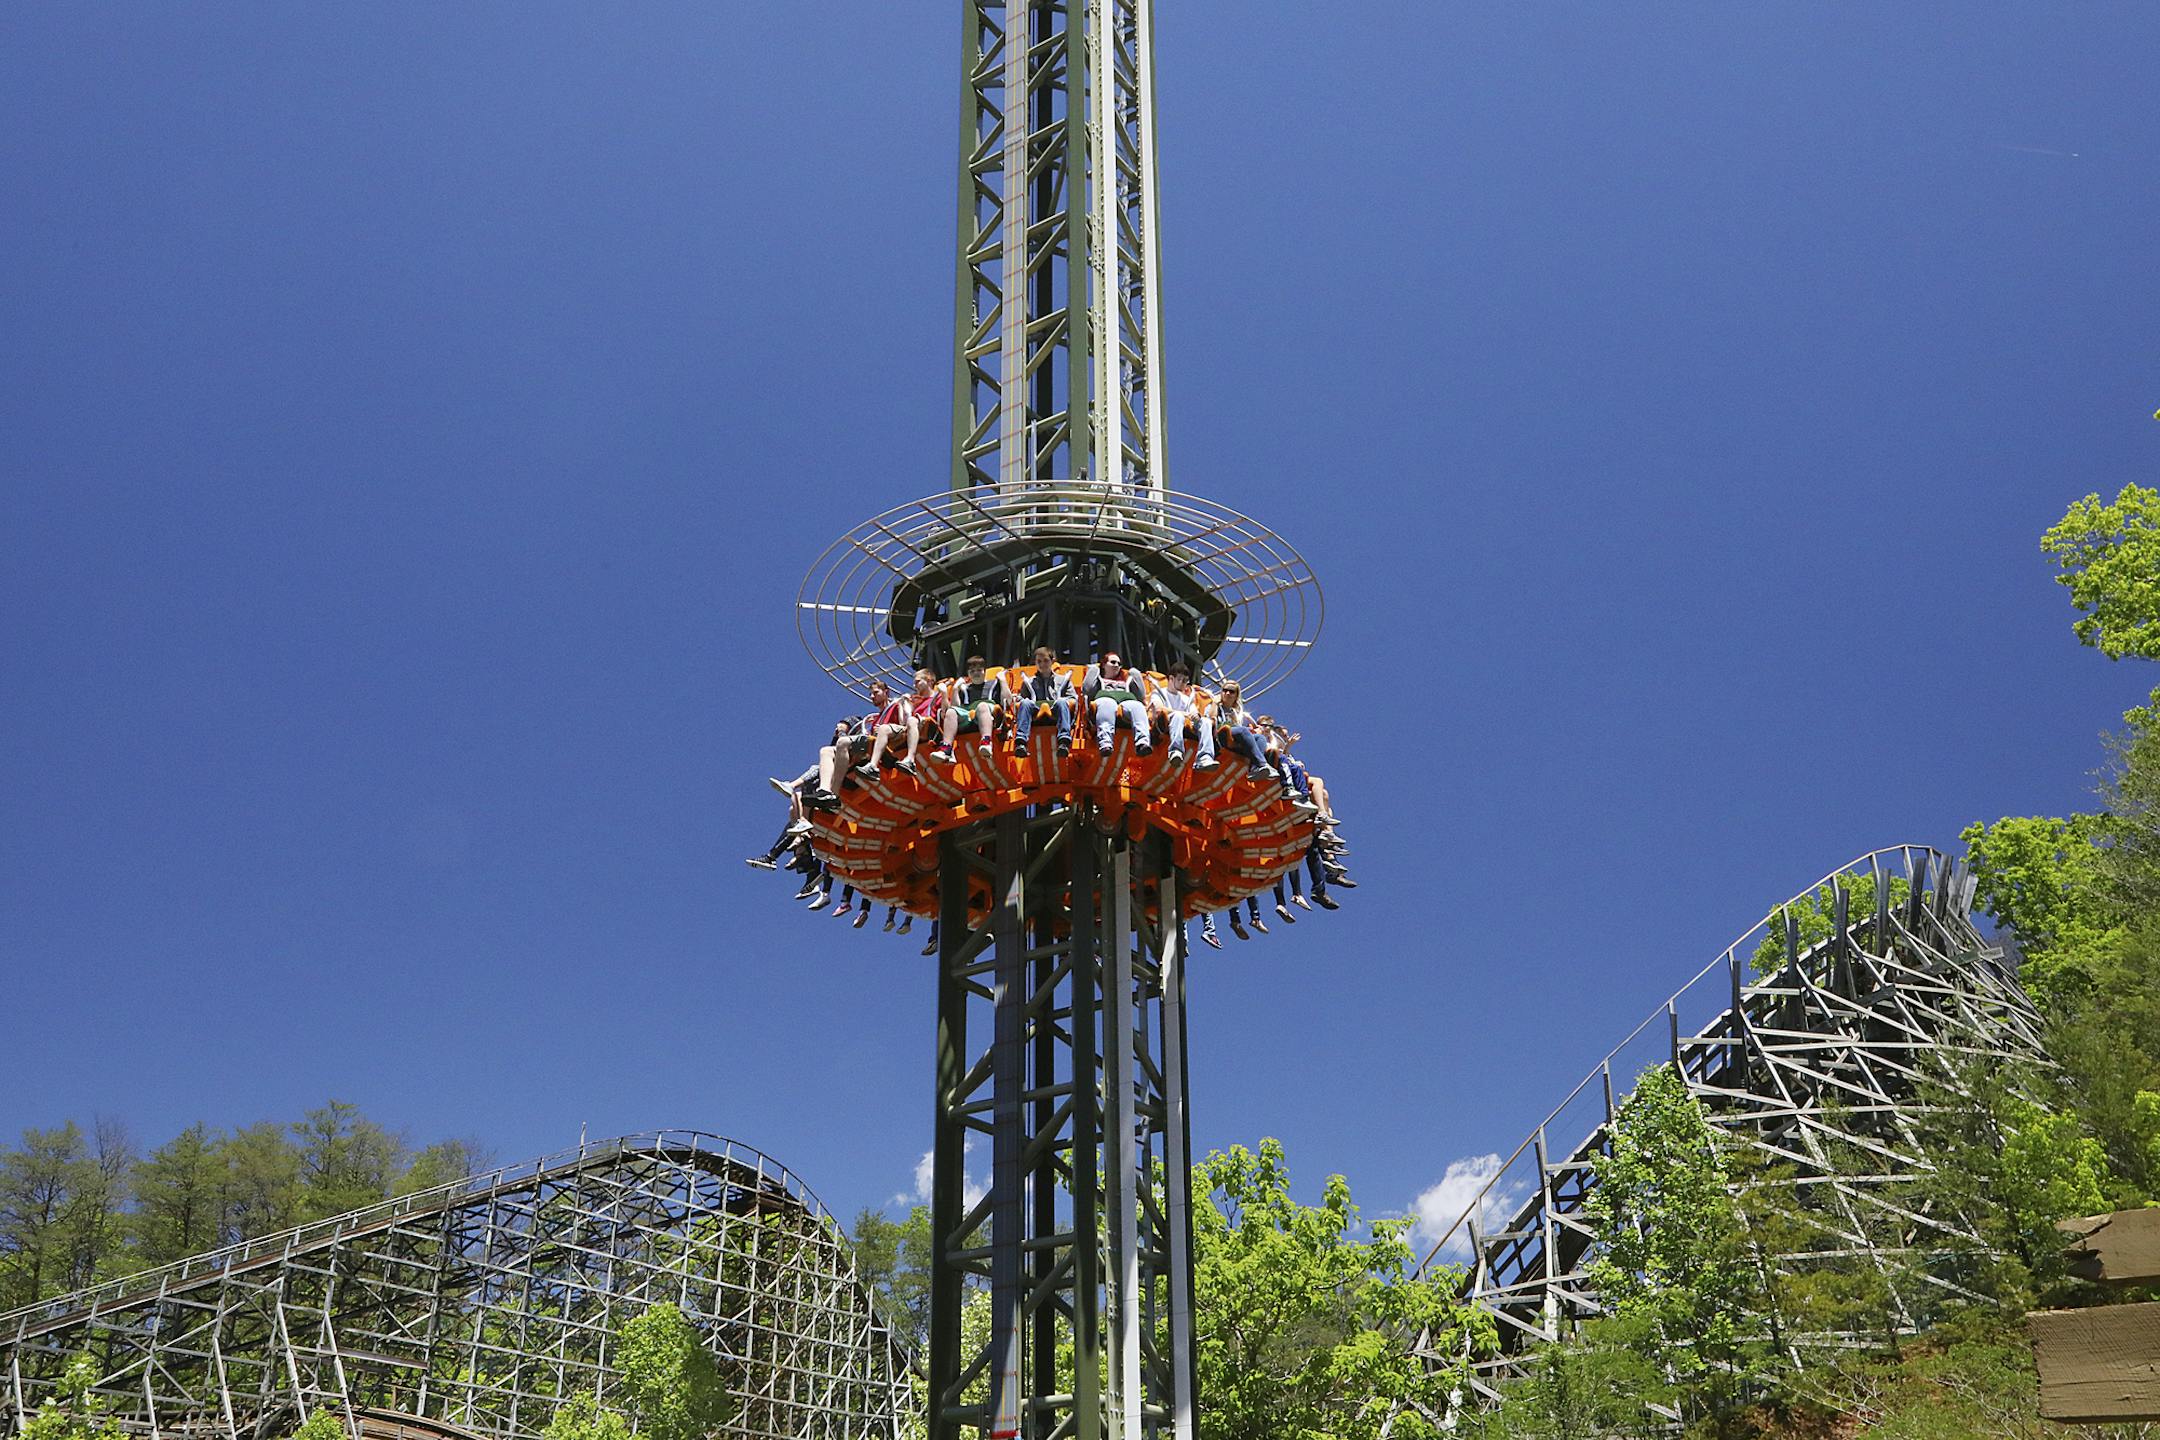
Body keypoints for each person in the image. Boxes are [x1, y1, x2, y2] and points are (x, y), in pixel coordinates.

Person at [862, 669, 940, 776]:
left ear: (930, 681)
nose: (915, 685)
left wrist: (945, 693)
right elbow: (903, 720)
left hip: (927, 725)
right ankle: (872, 766)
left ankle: (910, 759)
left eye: (917, 682)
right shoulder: (914, 700)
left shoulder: (938, 696)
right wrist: (905, 703)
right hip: (909, 727)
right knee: (884, 728)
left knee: (912, 720)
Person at [933, 654, 1008, 762]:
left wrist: (1003, 681)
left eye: (979, 670)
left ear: (984, 671)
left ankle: (986, 741)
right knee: (951, 711)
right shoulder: (965, 689)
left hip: (987, 710)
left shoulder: (994, 684)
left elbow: (1007, 701)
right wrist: (955, 689)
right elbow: (956, 707)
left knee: (982, 706)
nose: (976, 673)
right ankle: (946, 748)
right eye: (972, 671)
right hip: (968, 713)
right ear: (968, 674)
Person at [1011, 646, 1078, 755]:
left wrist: (1062, 701)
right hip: (1035, 714)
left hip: (1056, 713)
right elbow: (1021, 699)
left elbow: (1072, 698)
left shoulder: (1063, 681)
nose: (1042, 664)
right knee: (1025, 703)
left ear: (1052, 661)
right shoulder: (1029, 682)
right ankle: (1021, 742)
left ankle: (1064, 742)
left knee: (1061, 702)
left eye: (1046, 660)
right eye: (1039, 661)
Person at [1084, 651, 1152, 755]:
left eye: (1119, 664)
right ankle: (1105, 742)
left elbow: (1141, 696)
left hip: (1125, 700)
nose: (1116, 665)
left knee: (1138, 706)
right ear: (1104, 664)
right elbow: (1086, 690)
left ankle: (1142, 743)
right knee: (1108, 704)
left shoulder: (1126, 681)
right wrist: (1094, 669)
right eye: (1113, 662)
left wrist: (1135, 674)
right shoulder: (1099, 680)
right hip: (1105, 698)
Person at [1152, 662, 1217, 769]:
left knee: (1205, 722)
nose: (1183, 684)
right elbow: (1159, 708)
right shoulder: (1159, 692)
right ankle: (1176, 751)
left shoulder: (1187, 699)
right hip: (1164, 724)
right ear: (1171, 678)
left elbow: (1193, 712)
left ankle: (1205, 757)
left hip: (1185, 725)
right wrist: (1184, 714)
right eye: (1180, 680)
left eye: (1186, 681)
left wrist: (1196, 715)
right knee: (1177, 715)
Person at [1212, 680, 1276, 778]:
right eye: (1225, 690)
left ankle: (1255, 767)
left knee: (1260, 738)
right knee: (1243, 730)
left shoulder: (1234, 712)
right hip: (1221, 733)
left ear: (1236, 696)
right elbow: (1210, 718)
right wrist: (1214, 704)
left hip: (1234, 734)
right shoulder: (1216, 705)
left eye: (1231, 691)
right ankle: (1262, 763)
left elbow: (1237, 726)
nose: (1227, 693)